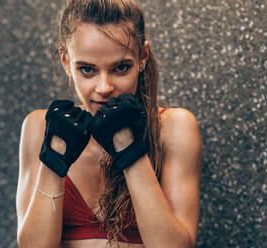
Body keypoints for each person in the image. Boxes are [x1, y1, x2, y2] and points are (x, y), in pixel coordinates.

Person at [15, 0, 202, 247]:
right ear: (66, 62)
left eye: (121, 67)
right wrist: (54, 160)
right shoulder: (39, 127)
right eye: (87, 70)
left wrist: (129, 148)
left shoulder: (175, 126)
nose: (104, 88)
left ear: (143, 57)